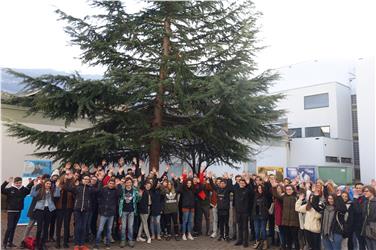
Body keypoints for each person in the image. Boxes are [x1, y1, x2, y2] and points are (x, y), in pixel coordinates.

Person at [1, 177, 34, 249]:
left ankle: (10, 243)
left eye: (20, 183)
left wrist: (31, 182)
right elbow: (2, 189)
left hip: (19, 211)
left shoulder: (23, 190)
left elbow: (28, 189)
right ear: (14, 182)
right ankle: (4, 243)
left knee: (13, 227)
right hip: (11, 211)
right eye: (17, 183)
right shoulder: (10, 189)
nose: (18, 184)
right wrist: (6, 182)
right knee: (9, 227)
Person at [65, 174, 94, 250]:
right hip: (77, 210)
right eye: (85, 179)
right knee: (78, 227)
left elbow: (99, 190)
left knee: (83, 227)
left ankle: (82, 244)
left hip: (86, 210)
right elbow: (68, 188)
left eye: (88, 179)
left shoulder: (90, 189)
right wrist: (70, 180)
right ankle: (76, 244)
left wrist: (99, 180)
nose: (86, 180)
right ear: (82, 180)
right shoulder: (77, 187)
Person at [30, 179, 61, 250]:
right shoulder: (40, 190)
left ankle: (43, 243)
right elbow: (32, 194)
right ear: (44, 184)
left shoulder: (52, 191)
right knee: (39, 228)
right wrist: (34, 186)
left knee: (46, 228)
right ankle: (37, 244)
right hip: (40, 210)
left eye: (49, 184)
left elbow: (57, 195)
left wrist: (57, 186)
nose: (48, 185)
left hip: (49, 210)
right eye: (47, 183)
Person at [272, 182, 300, 250]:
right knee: (288, 239)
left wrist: (298, 185)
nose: (288, 191)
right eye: (287, 189)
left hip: (294, 222)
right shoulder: (283, 197)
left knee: (295, 239)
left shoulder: (296, 197)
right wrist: (274, 188)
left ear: (293, 190)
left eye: (290, 189)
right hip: (285, 222)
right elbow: (276, 195)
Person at [93, 179, 119, 250]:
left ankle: (108, 244)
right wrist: (101, 206)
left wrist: (117, 186)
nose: (111, 185)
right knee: (100, 229)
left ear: (114, 184)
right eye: (110, 183)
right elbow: (97, 193)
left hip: (111, 213)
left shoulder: (115, 191)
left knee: (109, 230)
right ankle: (96, 244)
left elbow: (119, 194)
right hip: (103, 213)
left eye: (112, 184)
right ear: (108, 183)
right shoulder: (103, 190)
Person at [209, 172, 233, 242]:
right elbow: (212, 185)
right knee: (221, 223)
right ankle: (221, 235)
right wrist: (210, 178)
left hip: (226, 209)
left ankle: (227, 235)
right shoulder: (217, 189)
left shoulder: (227, 190)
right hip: (219, 209)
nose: (222, 184)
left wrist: (228, 178)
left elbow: (230, 186)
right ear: (219, 184)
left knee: (226, 223)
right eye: (221, 183)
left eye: (223, 183)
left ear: (225, 184)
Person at [55, 171, 74, 249]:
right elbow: (55, 196)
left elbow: (73, 195)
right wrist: (57, 188)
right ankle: (57, 242)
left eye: (67, 179)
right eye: (65, 179)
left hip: (68, 208)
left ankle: (65, 242)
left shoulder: (70, 186)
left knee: (66, 226)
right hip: (59, 208)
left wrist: (70, 180)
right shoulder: (59, 186)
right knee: (58, 226)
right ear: (62, 179)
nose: (66, 180)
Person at [118, 177, 140, 248]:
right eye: (127, 182)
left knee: (130, 227)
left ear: (131, 183)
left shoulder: (134, 190)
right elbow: (119, 197)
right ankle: (123, 240)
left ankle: (130, 240)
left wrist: (139, 195)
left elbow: (137, 200)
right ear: (125, 183)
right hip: (123, 211)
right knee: (123, 227)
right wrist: (120, 184)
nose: (128, 184)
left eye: (130, 182)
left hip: (131, 211)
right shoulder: (122, 190)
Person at [233, 178, 253, 248]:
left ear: (245, 184)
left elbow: (251, 191)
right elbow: (232, 186)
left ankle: (245, 242)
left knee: (245, 227)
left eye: (243, 183)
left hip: (245, 212)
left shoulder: (247, 190)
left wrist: (248, 183)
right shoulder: (236, 190)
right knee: (239, 227)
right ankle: (240, 240)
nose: (241, 184)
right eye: (240, 183)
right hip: (238, 212)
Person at [252, 184, 269, 249]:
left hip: (263, 215)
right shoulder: (255, 195)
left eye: (261, 188)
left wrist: (267, 182)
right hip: (256, 215)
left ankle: (265, 243)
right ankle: (257, 242)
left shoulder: (266, 195)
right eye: (259, 188)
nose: (260, 189)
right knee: (256, 230)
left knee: (263, 229)